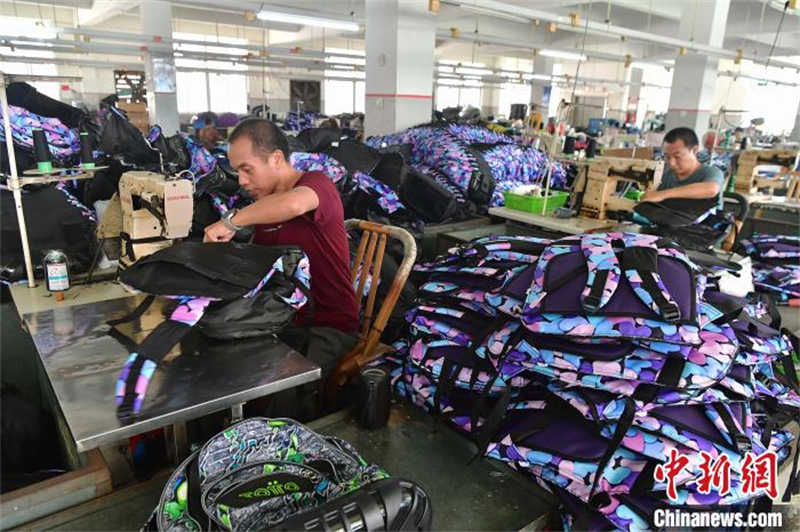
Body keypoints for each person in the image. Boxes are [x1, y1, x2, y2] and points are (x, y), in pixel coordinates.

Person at [203, 119, 359, 379]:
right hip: (282, 319)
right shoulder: (265, 205)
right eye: (237, 171)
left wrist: (230, 222)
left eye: (247, 169)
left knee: (275, 383)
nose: (241, 180)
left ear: (276, 158)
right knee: (218, 364)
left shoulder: (318, 184)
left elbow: (295, 204)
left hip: (327, 325)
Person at [641, 127, 725, 207]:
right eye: (667, 156)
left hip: (705, 221)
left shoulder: (711, 172)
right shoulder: (665, 173)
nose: (672, 163)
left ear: (695, 150)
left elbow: (711, 189)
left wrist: (663, 194)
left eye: (677, 157)